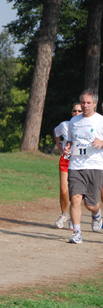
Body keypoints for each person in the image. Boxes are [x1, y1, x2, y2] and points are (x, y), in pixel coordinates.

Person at [63, 89, 103, 244]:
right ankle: (77, 234)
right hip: (76, 165)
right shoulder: (74, 121)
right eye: (83, 102)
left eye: (88, 103)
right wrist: (68, 147)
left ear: (95, 104)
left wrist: (102, 142)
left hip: (95, 165)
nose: (85, 106)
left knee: (90, 204)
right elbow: (70, 141)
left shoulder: (100, 120)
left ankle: (97, 213)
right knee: (75, 198)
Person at [54, 103, 82, 229]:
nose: (76, 113)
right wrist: (59, 144)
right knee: (63, 190)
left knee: (75, 192)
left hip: (80, 162)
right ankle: (64, 214)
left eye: (79, 111)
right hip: (66, 159)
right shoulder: (65, 125)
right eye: (74, 111)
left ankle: (73, 217)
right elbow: (55, 132)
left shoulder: (87, 126)